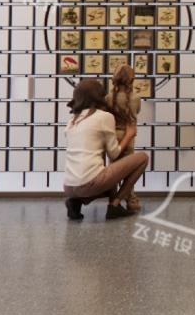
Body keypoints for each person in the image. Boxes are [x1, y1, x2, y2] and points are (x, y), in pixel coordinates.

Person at [62, 79, 148, 221]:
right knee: (143, 157)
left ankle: (76, 201)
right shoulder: (104, 117)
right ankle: (115, 205)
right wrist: (129, 134)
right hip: (89, 184)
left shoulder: (72, 120)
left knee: (107, 173)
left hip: (68, 186)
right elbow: (114, 153)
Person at [106, 65, 144, 212]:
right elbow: (137, 112)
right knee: (129, 169)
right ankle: (131, 199)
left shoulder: (108, 98)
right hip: (129, 135)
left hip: (113, 135)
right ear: (131, 80)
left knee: (113, 169)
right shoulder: (136, 98)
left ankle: (112, 199)